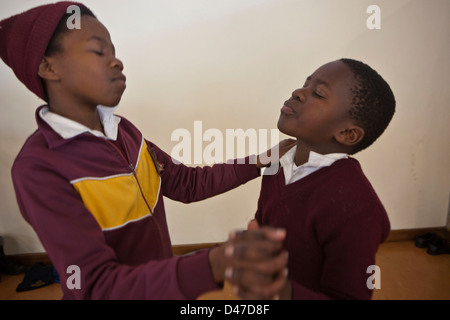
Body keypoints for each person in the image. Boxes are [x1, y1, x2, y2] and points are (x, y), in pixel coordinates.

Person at [0, 2, 292, 299]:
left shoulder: (125, 132)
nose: (116, 62)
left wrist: (261, 161)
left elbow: (187, 184)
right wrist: (211, 266)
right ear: (49, 67)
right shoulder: (39, 168)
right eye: (98, 51)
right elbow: (95, 285)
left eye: (114, 52)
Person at [226, 58, 396, 300]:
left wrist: (276, 288)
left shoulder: (357, 209)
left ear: (347, 133)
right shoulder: (279, 164)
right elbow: (265, 223)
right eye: (305, 84)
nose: (298, 92)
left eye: (318, 93)